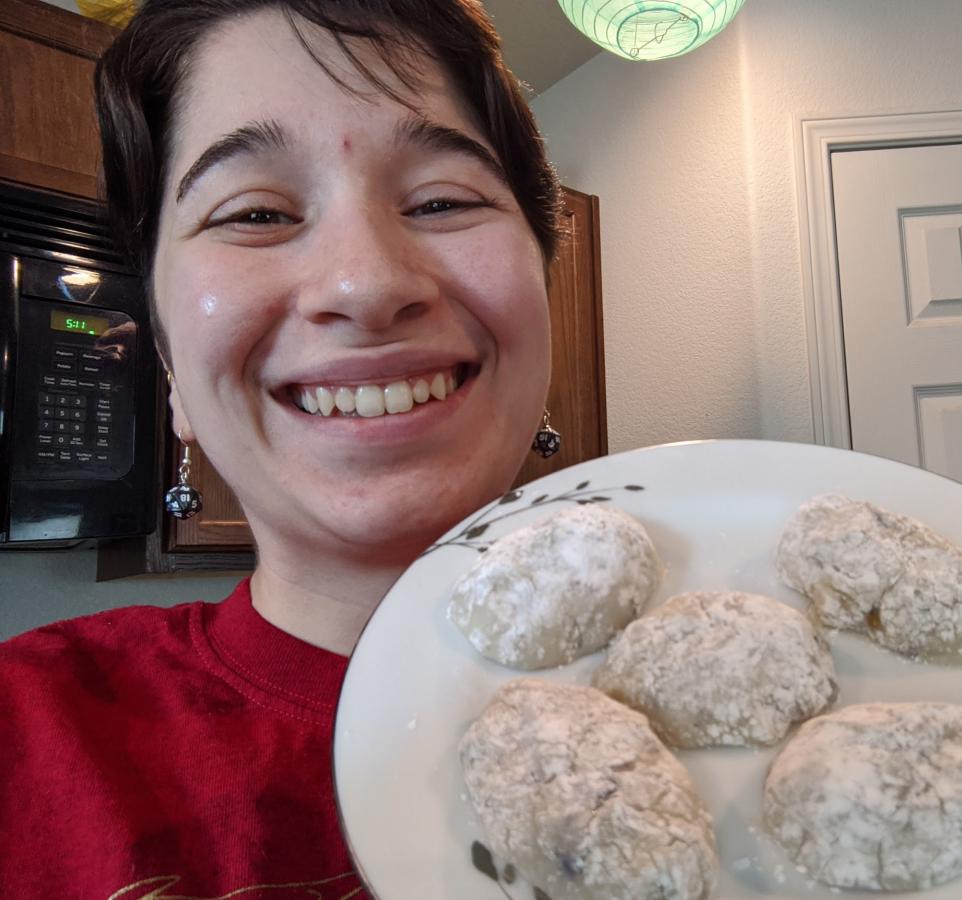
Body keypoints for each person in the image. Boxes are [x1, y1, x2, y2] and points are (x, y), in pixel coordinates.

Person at [0, 0, 561, 895]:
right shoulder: (26, 738)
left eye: (443, 199)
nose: (367, 283)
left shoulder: (814, 678)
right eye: (255, 213)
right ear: (173, 372)